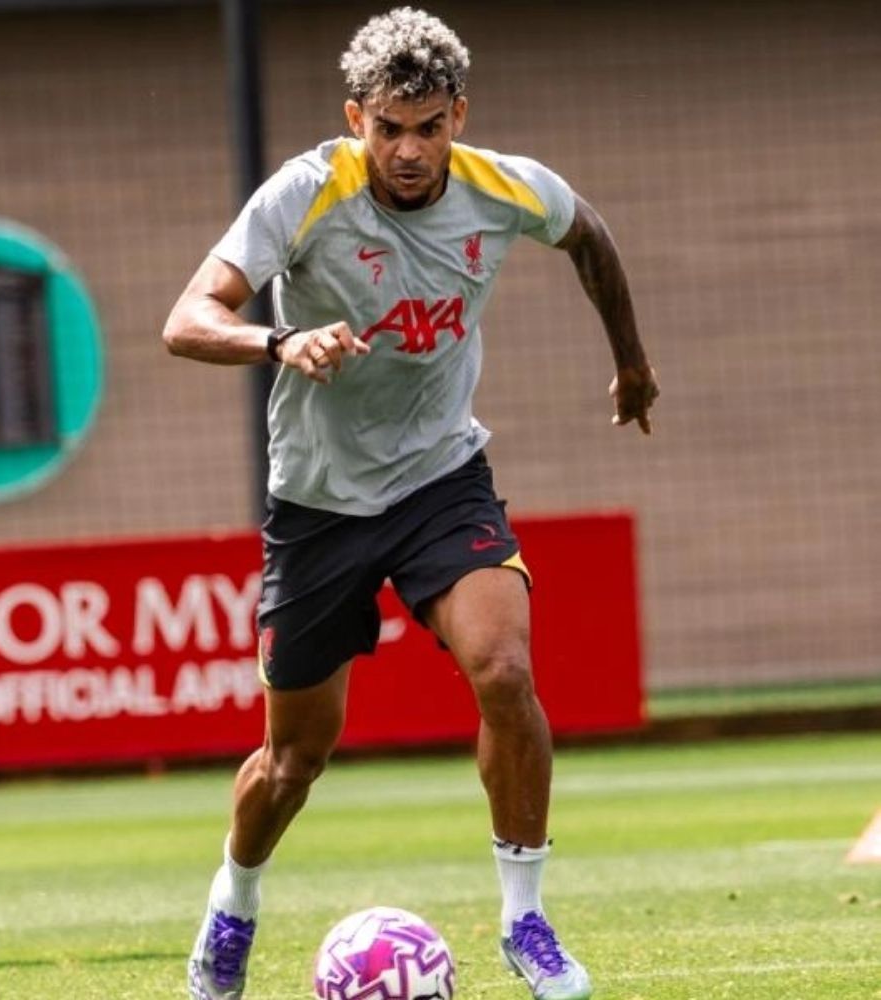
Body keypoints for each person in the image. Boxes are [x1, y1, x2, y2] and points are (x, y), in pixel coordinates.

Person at [163, 9, 657, 1000]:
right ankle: (234, 901)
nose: (409, 150)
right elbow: (187, 321)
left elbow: (589, 232)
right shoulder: (304, 192)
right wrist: (280, 342)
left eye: (428, 126)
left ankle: (525, 920)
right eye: (389, 128)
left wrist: (632, 362)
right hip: (318, 505)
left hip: (441, 480)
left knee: (506, 668)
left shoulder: (501, 187)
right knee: (294, 759)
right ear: (357, 121)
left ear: (457, 119)